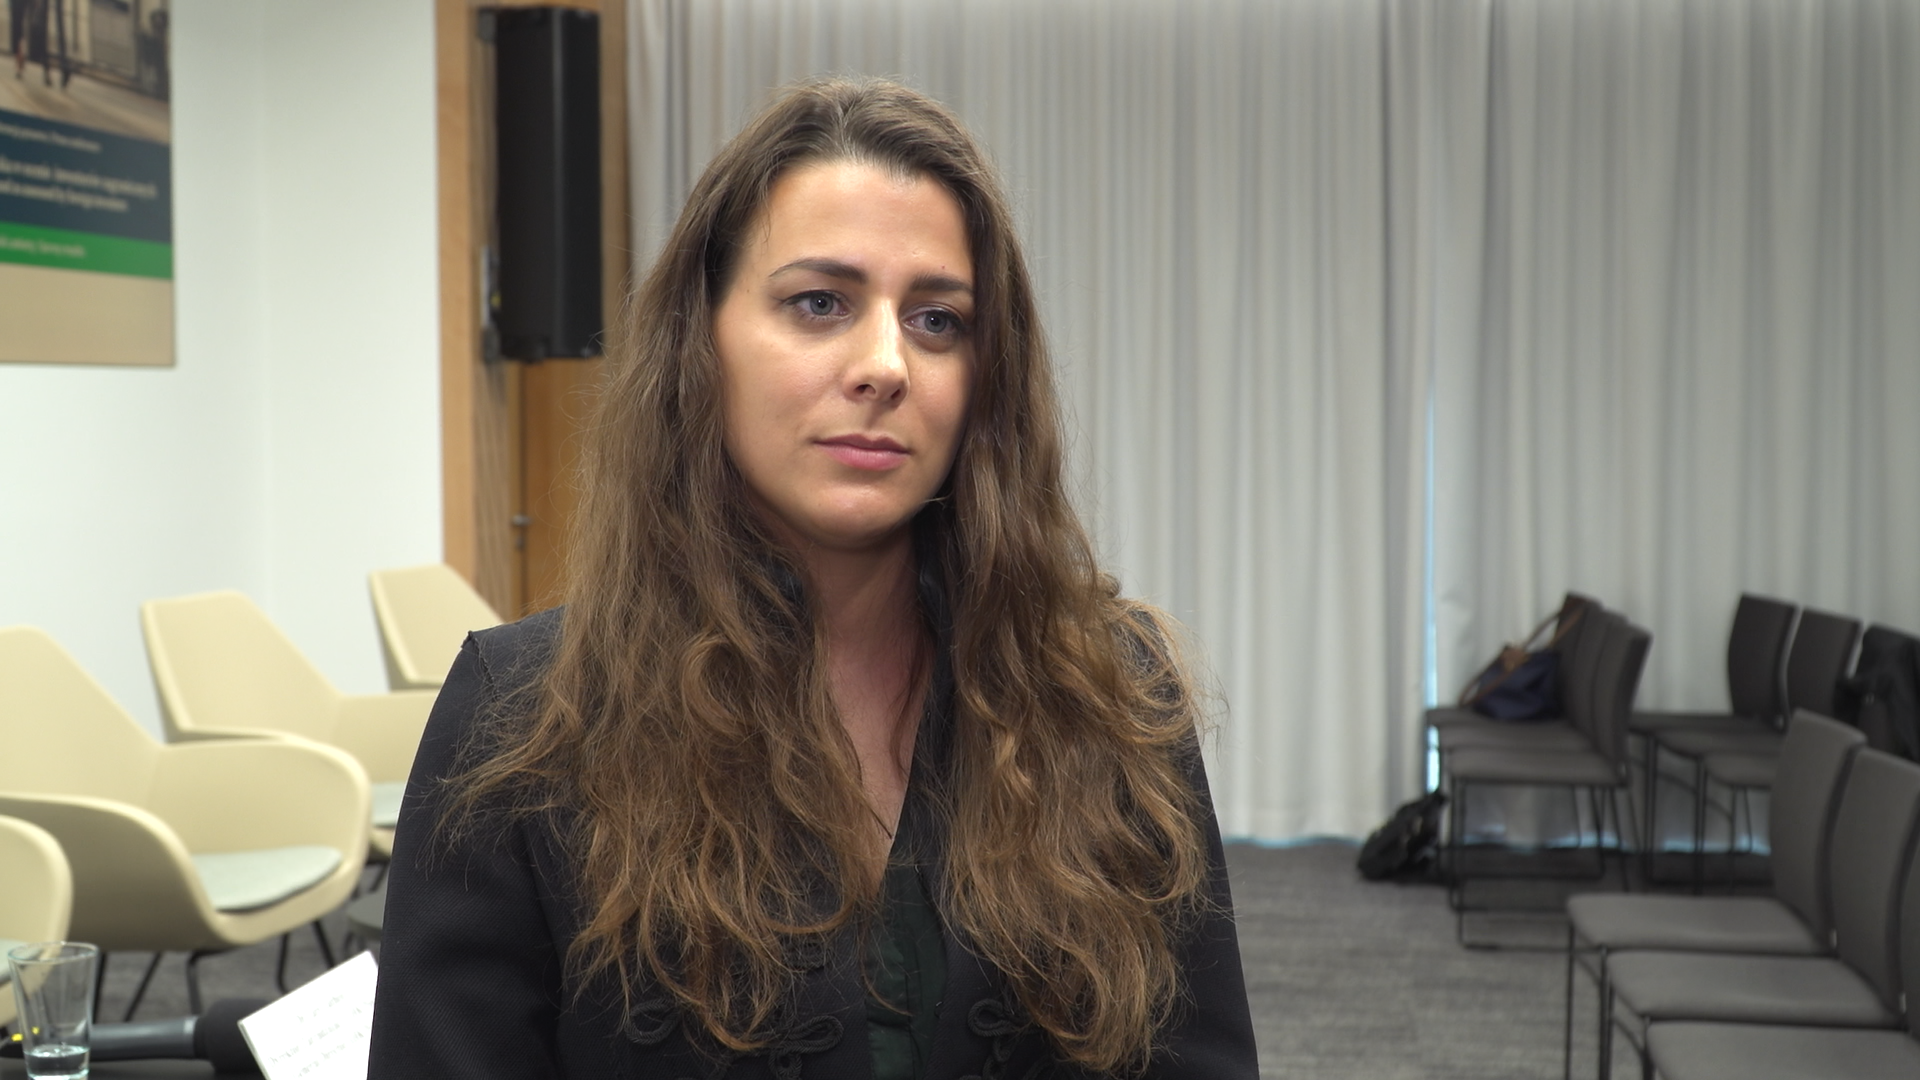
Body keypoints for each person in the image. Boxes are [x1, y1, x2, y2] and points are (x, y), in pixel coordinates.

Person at [368, 76, 1258, 1080]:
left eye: (938, 320)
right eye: (820, 303)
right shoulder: (522, 721)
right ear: (701, 341)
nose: (887, 364)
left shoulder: (1111, 693)